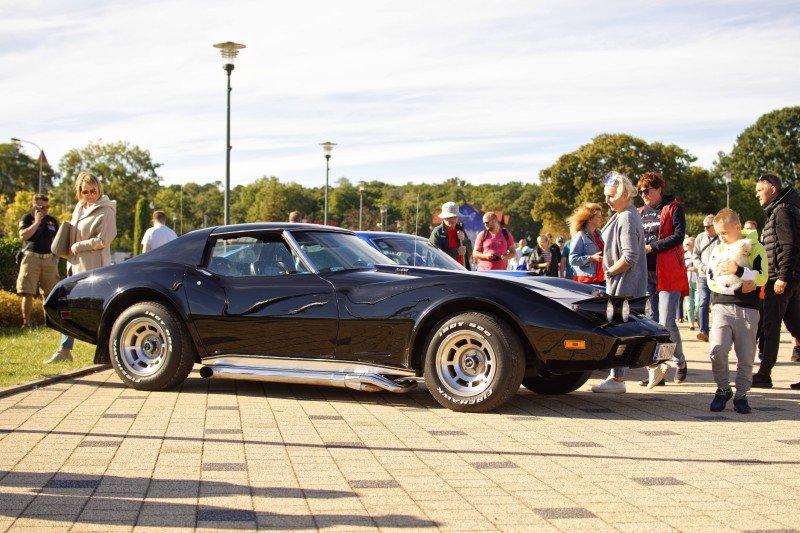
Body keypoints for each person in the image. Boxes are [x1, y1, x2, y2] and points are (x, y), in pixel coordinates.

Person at [46, 171, 117, 364]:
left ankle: (113, 351)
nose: (90, 195)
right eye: (85, 192)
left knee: (98, 309)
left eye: (93, 191)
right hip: (74, 265)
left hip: (95, 267)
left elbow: (104, 239)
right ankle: (64, 350)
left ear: (99, 189)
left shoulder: (107, 210)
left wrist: (78, 246)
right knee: (68, 305)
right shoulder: (79, 207)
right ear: (79, 192)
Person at [706, 208, 767, 413]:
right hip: (722, 305)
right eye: (719, 233)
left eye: (724, 232)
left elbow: (762, 276)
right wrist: (737, 286)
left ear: (738, 227)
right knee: (717, 349)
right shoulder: (718, 249)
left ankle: (741, 394)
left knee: (746, 355)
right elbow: (711, 279)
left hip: (748, 308)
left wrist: (740, 271)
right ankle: (723, 388)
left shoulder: (756, 247)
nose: (721, 237)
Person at [591, 171, 647, 393]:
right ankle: (646, 368)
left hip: (624, 282)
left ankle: (618, 379)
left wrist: (610, 272)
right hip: (625, 281)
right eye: (606, 195)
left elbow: (629, 256)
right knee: (627, 327)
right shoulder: (627, 214)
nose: (607, 200)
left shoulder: (626, 217)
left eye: (612, 196)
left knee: (621, 329)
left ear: (624, 195)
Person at [638, 171, 689, 387]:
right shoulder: (640, 212)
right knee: (652, 322)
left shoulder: (674, 208)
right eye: (640, 192)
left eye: (647, 191)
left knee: (666, 321)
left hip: (668, 272)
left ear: (658, 189)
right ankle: (657, 370)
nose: (643, 195)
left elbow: (678, 236)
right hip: (647, 272)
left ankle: (680, 361)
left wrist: (652, 247)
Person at [751, 174, 800, 389]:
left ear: (771, 189)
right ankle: (764, 373)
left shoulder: (781, 212)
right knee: (796, 326)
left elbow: (790, 246)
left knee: (770, 327)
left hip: (781, 280)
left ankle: (764, 374)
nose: (757, 195)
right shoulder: (784, 209)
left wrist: (782, 277)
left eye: (759, 191)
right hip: (791, 279)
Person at [16, 194, 60, 329]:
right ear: (35, 205)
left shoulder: (52, 221)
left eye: (48, 207)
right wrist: (36, 222)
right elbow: (23, 236)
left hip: (48, 259)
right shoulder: (27, 218)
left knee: (49, 293)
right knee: (27, 292)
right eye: (42, 207)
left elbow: (58, 240)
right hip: (31, 258)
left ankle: (50, 324)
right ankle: (26, 323)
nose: (46, 210)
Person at [692, 215, 718, 342]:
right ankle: (703, 331)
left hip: (717, 276)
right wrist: (702, 267)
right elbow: (695, 255)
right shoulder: (700, 237)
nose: (706, 228)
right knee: (703, 302)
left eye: (708, 226)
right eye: (704, 226)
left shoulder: (721, 238)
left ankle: (717, 331)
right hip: (703, 275)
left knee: (717, 304)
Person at [567, 202, 605, 286]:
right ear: (590, 219)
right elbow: (572, 260)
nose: (601, 219)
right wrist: (591, 258)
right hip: (586, 281)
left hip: (601, 279)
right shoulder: (579, 236)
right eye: (598, 217)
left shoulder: (599, 234)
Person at [429, 201, 472, 269]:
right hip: (445, 273)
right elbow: (434, 258)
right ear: (444, 218)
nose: (453, 220)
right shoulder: (437, 232)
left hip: (462, 271)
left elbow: (470, 252)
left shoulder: (460, 229)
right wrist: (456, 252)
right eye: (449, 217)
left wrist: (464, 240)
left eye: (455, 217)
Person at [684, 236, 699, 331]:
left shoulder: (698, 254)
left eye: (688, 244)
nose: (686, 246)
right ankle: (691, 324)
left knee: (698, 303)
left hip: (698, 281)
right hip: (687, 281)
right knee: (689, 304)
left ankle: (698, 318)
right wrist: (689, 269)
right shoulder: (684, 255)